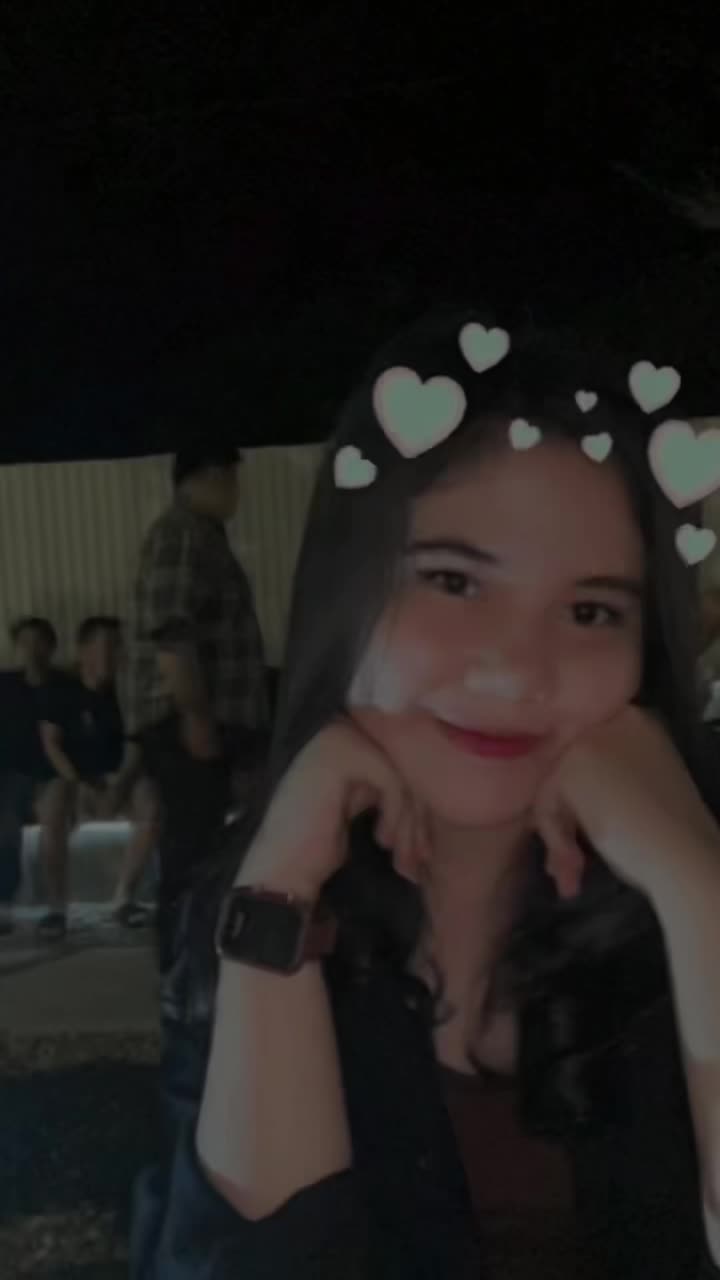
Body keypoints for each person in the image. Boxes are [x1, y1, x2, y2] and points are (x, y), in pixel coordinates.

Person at [129, 307, 720, 1279]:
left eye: (590, 609)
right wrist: (278, 886)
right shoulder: (251, 902)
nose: (514, 669)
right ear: (345, 599)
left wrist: (699, 894)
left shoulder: (687, 888)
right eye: (452, 580)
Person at [122, 443, 271, 972]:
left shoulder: (203, 535)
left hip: (209, 720)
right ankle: (183, 976)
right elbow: (171, 634)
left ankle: (198, 965)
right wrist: (196, 718)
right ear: (207, 476)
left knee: (206, 849)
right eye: (230, 479)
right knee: (191, 855)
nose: (235, 493)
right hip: (187, 724)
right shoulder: (181, 534)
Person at [35, 616, 151, 939]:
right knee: (52, 805)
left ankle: (124, 898)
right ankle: (57, 909)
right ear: (84, 650)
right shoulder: (60, 689)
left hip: (118, 777)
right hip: (75, 779)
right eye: (107, 646)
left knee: (152, 802)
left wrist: (119, 785)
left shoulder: (127, 691)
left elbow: (136, 744)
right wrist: (79, 783)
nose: (115, 655)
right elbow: (51, 744)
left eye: (118, 647)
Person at [0, 618, 64, 934]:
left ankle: (56, 908)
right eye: (24, 642)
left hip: (53, 774)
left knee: (53, 824)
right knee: (6, 823)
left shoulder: (65, 687)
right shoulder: (4, 684)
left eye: (38, 641)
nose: (31, 650)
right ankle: (4, 905)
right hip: (11, 774)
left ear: (51, 647)